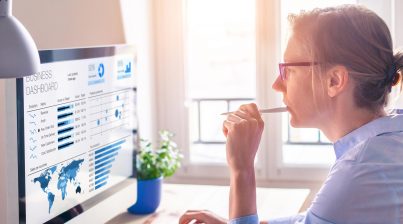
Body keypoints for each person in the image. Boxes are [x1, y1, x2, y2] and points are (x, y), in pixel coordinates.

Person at [179, 4, 403, 224]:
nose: (277, 85)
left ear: (334, 81)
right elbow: (311, 219)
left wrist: (242, 168)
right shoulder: (388, 142)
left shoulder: (359, 171)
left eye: (288, 70)